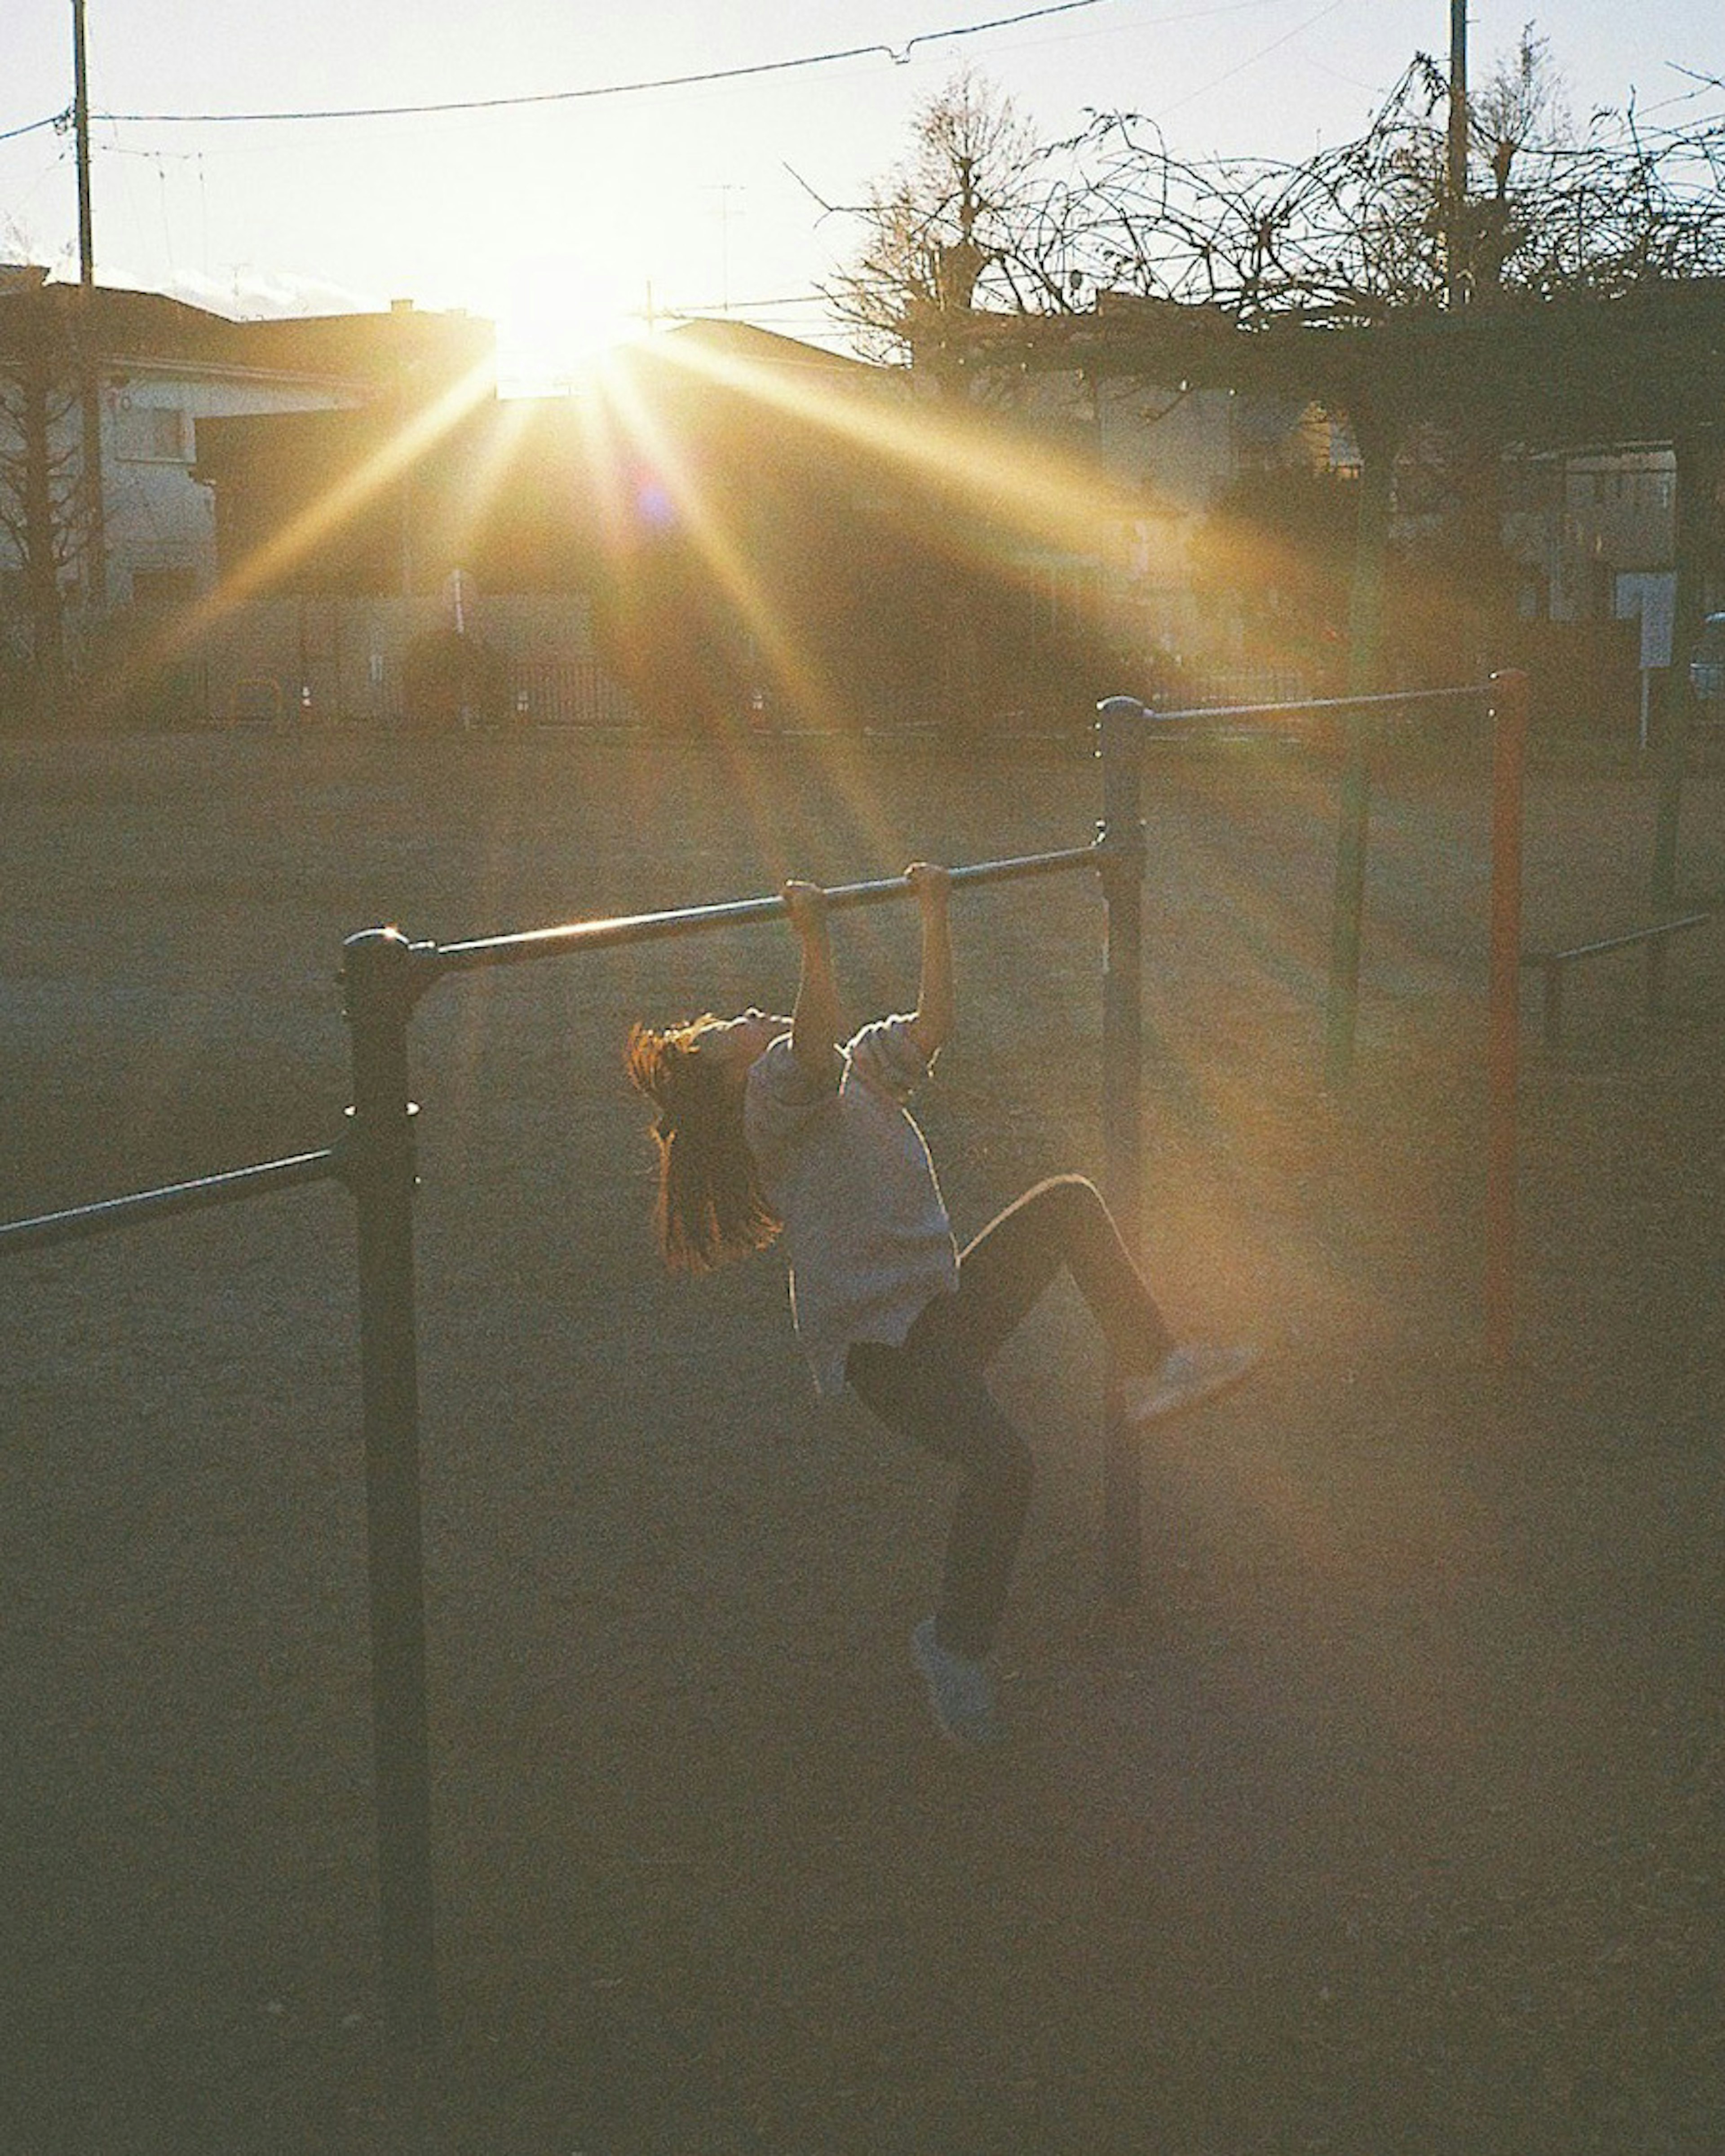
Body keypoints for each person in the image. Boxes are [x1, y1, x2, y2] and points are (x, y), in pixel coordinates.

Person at [625, 864, 1256, 1746]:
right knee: (1003, 1466)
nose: (752, 1018)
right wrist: (812, 937)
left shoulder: (847, 1076)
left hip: (939, 1307)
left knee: (1069, 1202)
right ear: (728, 1072)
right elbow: (806, 1045)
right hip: (887, 1354)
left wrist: (935, 914)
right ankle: (954, 1650)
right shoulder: (770, 1105)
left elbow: (930, 1028)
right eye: (735, 1027)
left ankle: (1156, 1367)